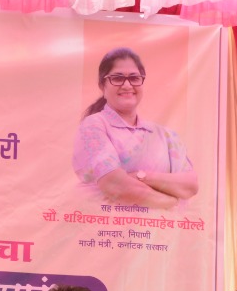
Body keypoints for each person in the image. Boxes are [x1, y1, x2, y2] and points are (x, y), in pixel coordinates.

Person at [73, 47, 197, 209]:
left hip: (163, 225)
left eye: (134, 78)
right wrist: (170, 201)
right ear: (102, 86)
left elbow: (190, 186)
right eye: (117, 78)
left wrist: (140, 176)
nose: (127, 85)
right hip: (107, 224)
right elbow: (115, 186)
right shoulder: (93, 126)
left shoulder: (166, 136)